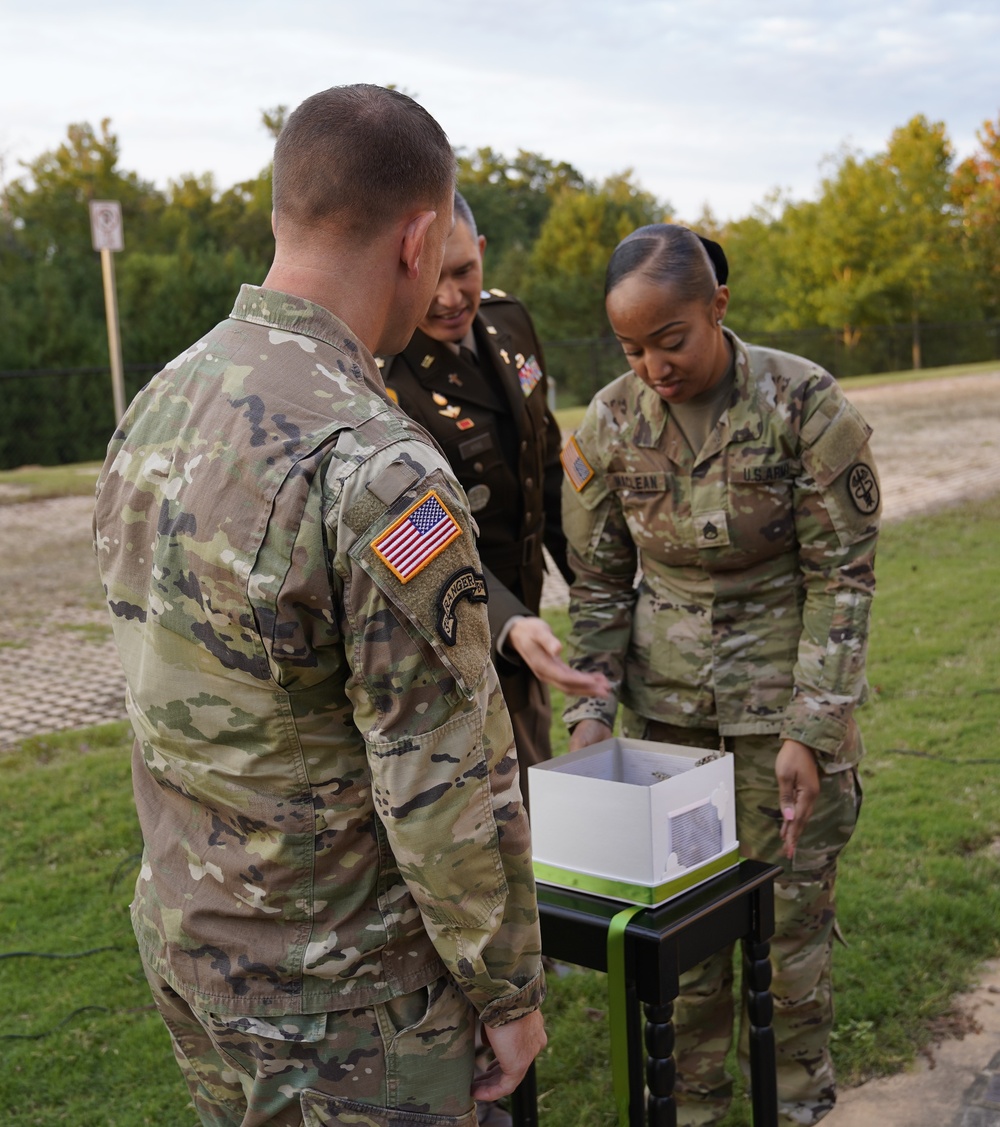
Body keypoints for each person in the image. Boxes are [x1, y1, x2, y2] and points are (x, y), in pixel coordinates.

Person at [93, 84, 545, 1127]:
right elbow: (438, 770)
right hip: (348, 998)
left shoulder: (157, 405)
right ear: (419, 236)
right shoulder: (380, 462)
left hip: (196, 951)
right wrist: (507, 985)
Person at [560, 223, 879, 1127]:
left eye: (672, 340)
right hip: (670, 732)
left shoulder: (805, 404)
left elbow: (842, 580)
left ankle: (796, 1103)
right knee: (685, 941)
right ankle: (691, 1110)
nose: (654, 366)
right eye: (632, 348)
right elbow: (597, 582)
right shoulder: (612, 421)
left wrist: (811, 733)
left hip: (784, 710)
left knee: (789, 930)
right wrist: (591, 708)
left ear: (718, 308)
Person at [380, 192, 607, 806]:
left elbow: (547, 470)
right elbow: (413, 531)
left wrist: (599, 579)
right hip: (452, 647)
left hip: (524, 635)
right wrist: (508, 625)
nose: (451, 297)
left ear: (481, 253)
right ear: (406, 268)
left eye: (465, 272)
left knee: (540, 825)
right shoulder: (384, 376)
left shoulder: (510, 322)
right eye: (435, 277)